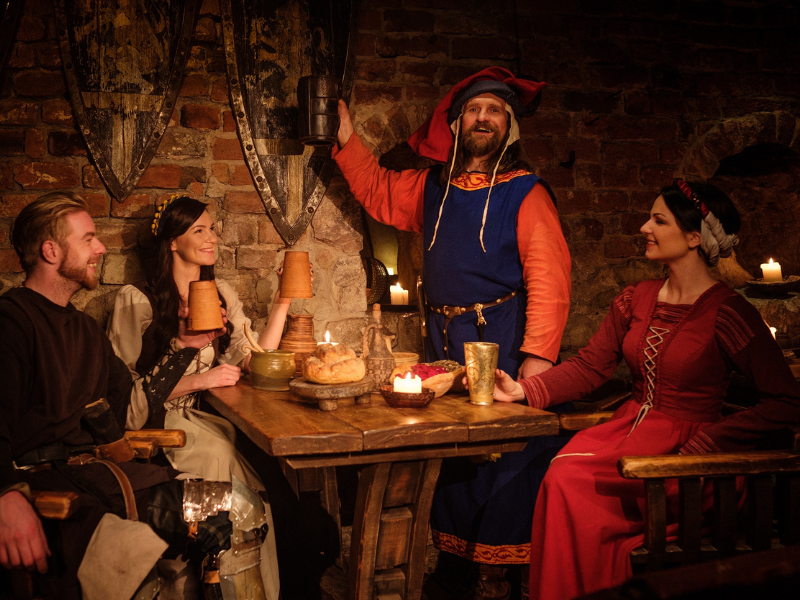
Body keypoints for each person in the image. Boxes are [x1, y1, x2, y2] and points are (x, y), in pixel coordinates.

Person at [490, 180, 800, 600]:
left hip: (690, 458)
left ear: (694, 237)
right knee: (561, 475)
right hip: (629, 432)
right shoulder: (637, 297)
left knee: (570, 484)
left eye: (658, 220)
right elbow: (590, 366)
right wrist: (522, 391)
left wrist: (711, 441)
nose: (644, 228)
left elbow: (787, 400)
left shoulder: (729, 312)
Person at [333, 66, 572, 597]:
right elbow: (377, 190)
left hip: (501, 340)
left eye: (494, 111)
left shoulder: (526, 193)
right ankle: (456, 573)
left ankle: (502, 579)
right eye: (473, 110)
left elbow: (550, 281)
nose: (482, 118)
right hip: (443, 342)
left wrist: (536, 370)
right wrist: (346, 136)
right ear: (458, 122)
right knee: (452, 461)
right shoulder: (433, 187)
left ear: (509, 126)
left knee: (500, 465)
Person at [0, 192, 253, 600]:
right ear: (51, 251)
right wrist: (6, 497)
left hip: (101, 477)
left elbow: (131, 410)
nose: (101, 248)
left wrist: (184, 347)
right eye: (88, 239)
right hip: (54, 492)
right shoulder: (12, 322)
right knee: (147, 566)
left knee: (240, 512)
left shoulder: (84, 330)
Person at [106, 195, 290, 600]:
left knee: (265, 482)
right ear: (173, 241)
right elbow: (127, 395)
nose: (212, 238)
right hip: (158, 424)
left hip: (199, 418)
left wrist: (284, 299)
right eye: (200, 230)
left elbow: (254, 356)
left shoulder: (219, 293)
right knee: (226, 466)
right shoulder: (138, 299)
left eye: (213, 229)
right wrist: (201, 379)